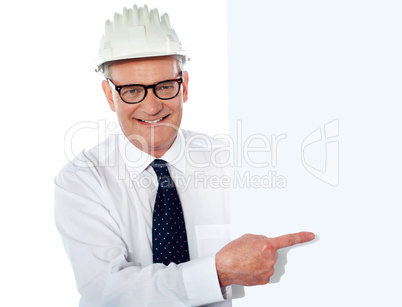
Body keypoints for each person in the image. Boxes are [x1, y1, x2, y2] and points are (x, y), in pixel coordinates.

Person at [54, 5, 315, 307]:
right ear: (109, 95)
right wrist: (217, 272)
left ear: (185, 86)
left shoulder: (232, 164)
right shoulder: (82, 180)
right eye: (132, 90)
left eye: (165, 86)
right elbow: (108, 293)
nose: (152, 107)